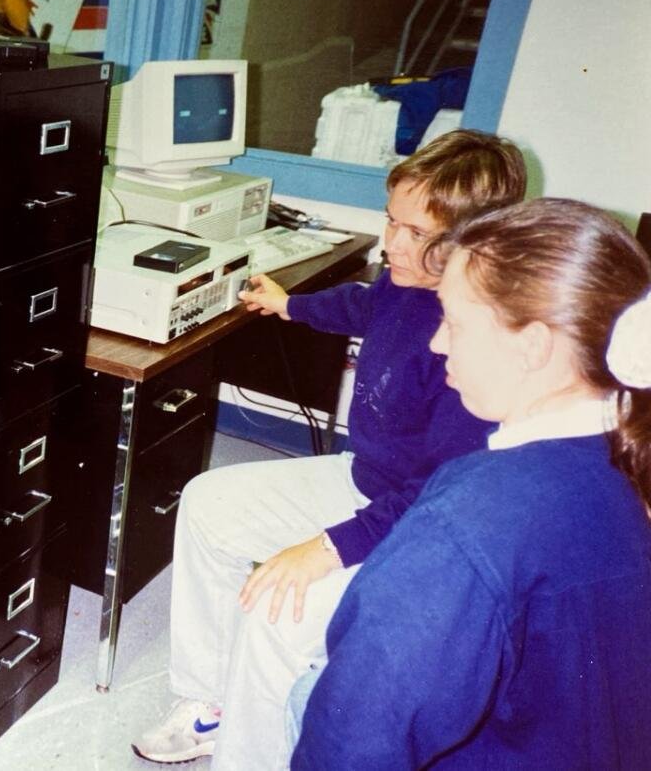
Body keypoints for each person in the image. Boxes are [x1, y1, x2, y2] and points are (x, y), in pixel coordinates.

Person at [132, 130, 527, 768]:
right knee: (206, 500)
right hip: (366, 480)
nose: (391, 244)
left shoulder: (473, 347)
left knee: (275, 609)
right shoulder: (406, 283)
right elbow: (363, 305)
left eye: (417, 234)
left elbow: (437, 501)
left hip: (413, 529)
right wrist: (293, 306)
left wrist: (327, 549)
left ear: (474, 244)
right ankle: (210, 701)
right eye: (391, 222)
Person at [293, 198, 651, 768]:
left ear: (532, 346)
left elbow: (357, 735)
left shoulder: (463, 518)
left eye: (454, 323)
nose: (437, 344)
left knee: (306, 696)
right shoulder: (624, 455)